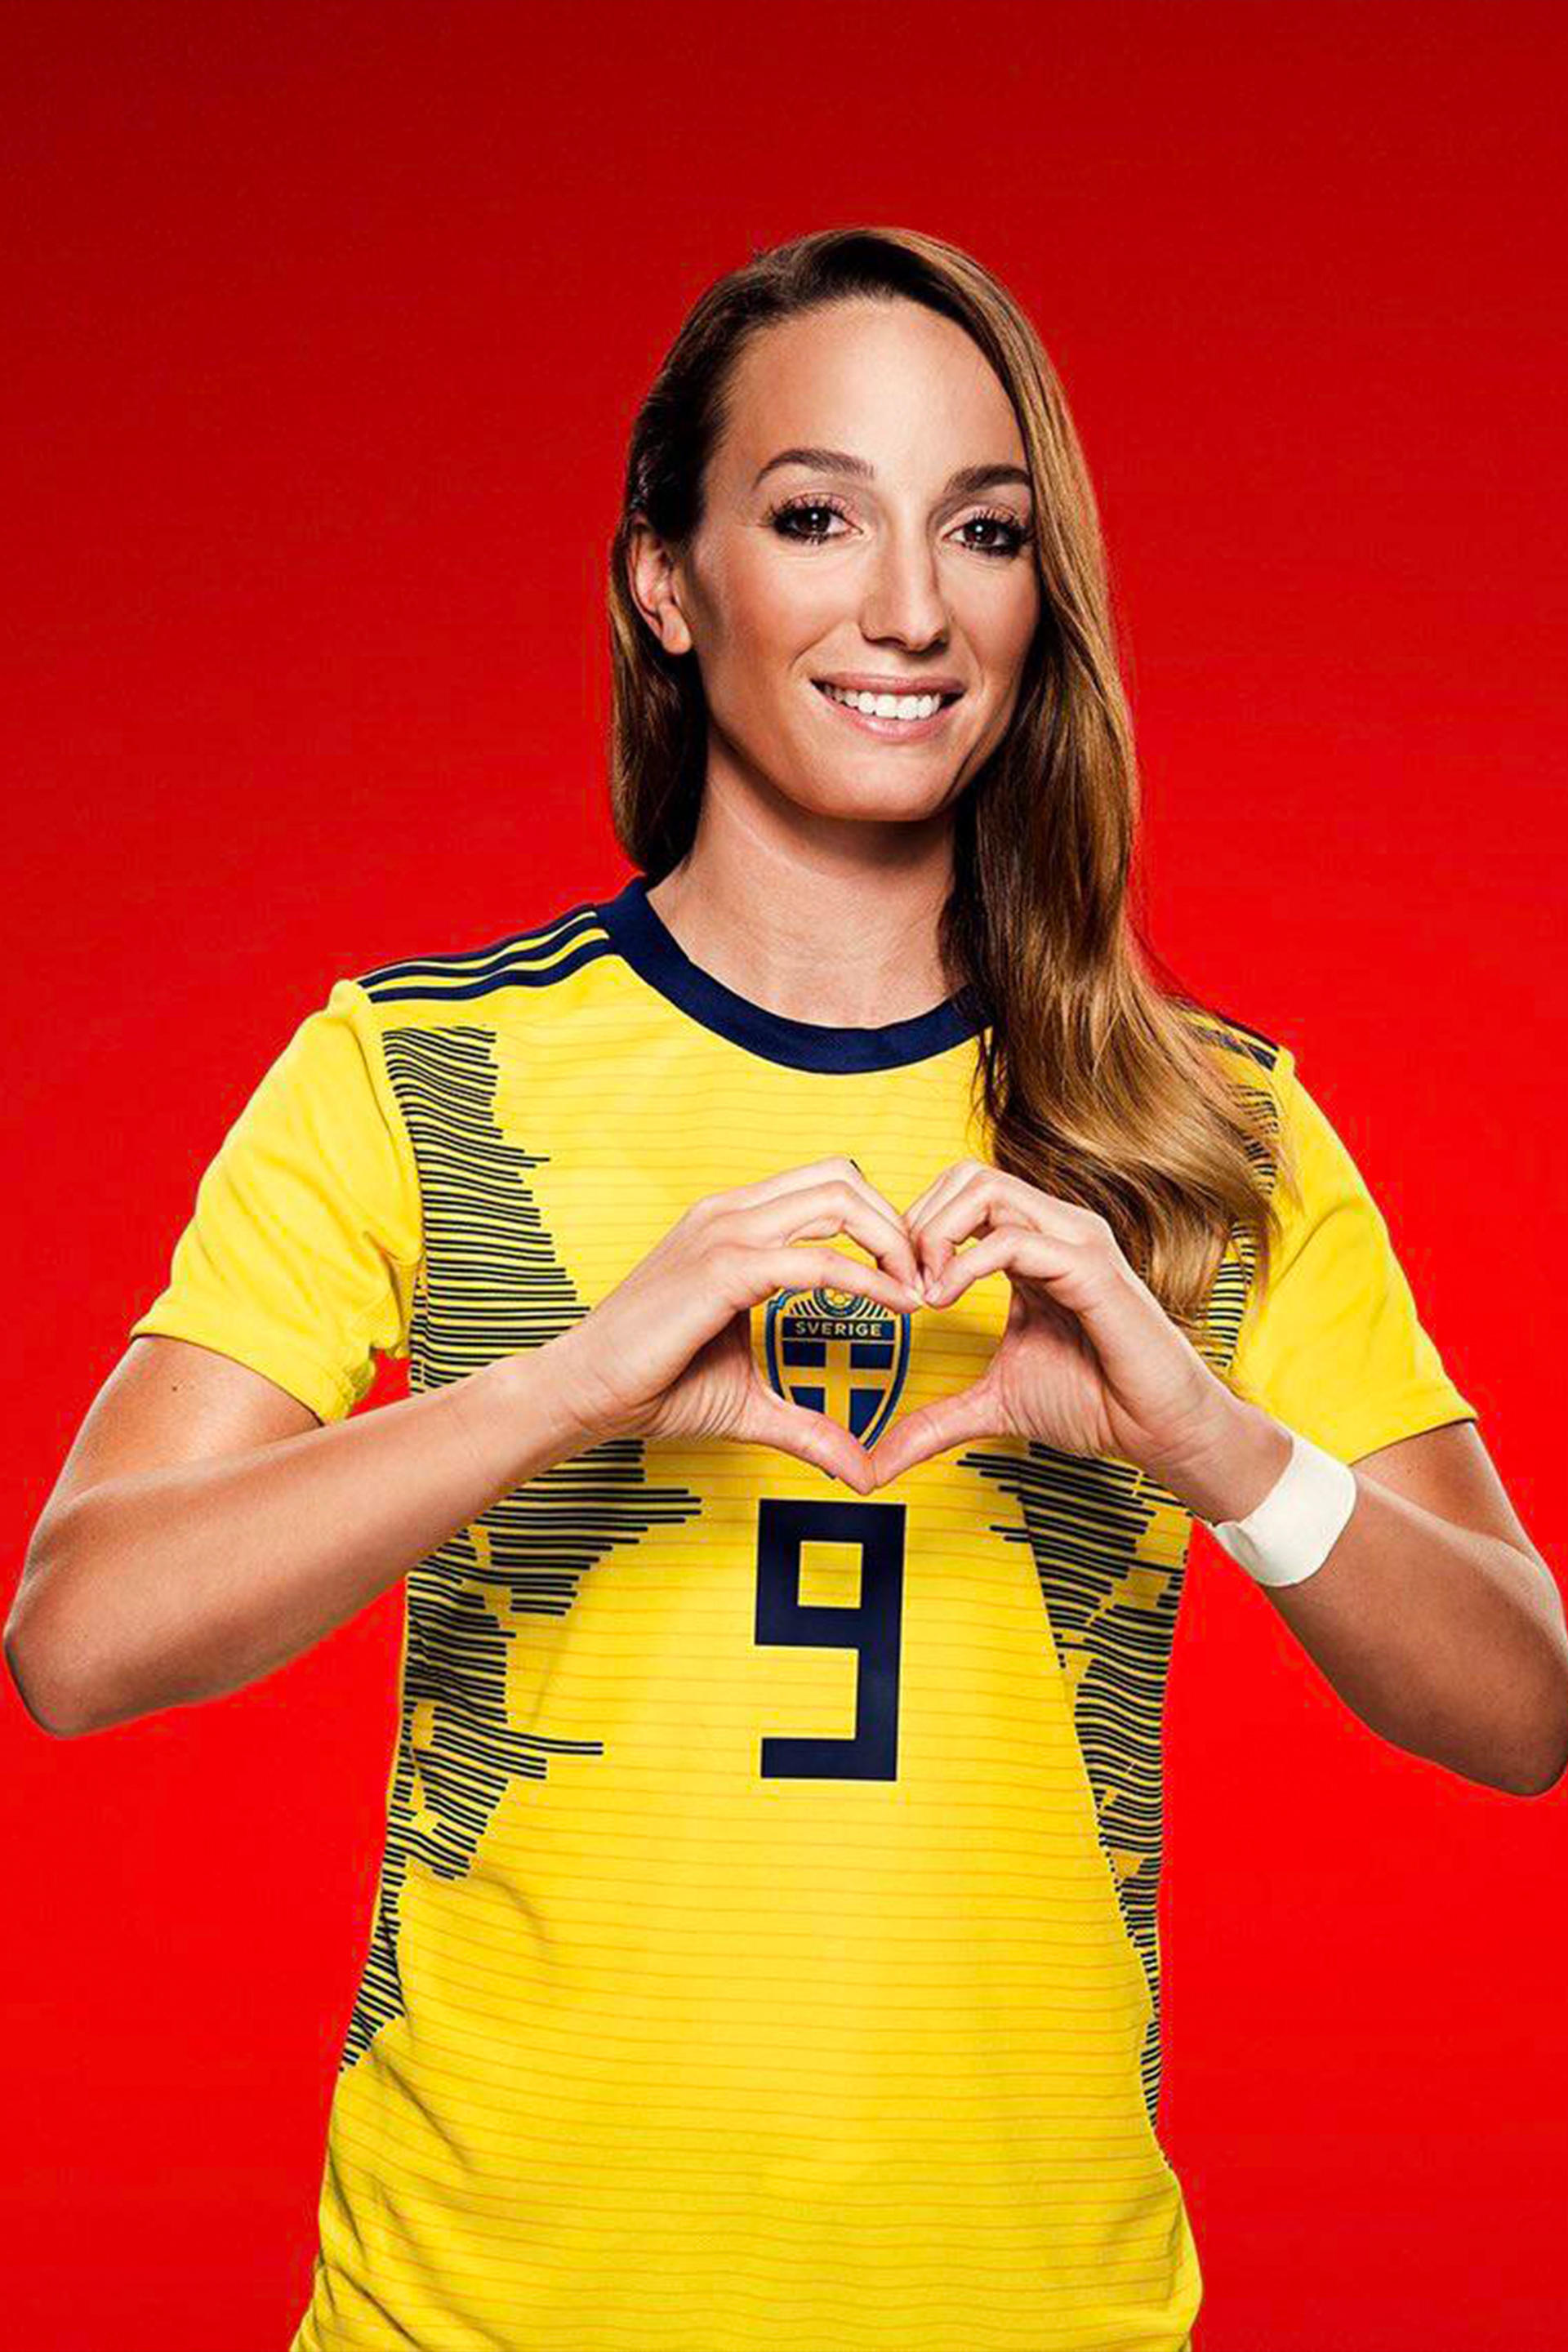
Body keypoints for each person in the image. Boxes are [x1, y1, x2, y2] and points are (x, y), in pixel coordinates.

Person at [8, 225, 1564, 2352]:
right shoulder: (420, 1071)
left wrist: (1212, 1444)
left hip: (1035, 2313)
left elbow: (1523, 1705)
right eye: (818, 516)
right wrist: (570, 1386)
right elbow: (79, 1637)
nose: (911, 607)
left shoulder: (1208, 1124)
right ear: (667, 580)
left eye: (984, 531)